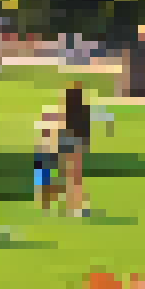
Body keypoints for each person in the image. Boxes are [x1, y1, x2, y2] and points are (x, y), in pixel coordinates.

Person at [61, 81, 92, 217]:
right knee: (75, 176)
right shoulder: (83, 110)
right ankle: (75, 206)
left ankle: (72, 205)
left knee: (71, 176)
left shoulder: (67, 110)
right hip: (76, 145)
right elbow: (85, 131)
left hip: (71, 144)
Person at [33, 108, 62, 212]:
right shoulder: (45, 129)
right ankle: (44, 201)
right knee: (43, 177)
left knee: (48, 177)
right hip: (46, 155)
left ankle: (47, 201)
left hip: (50, 154)